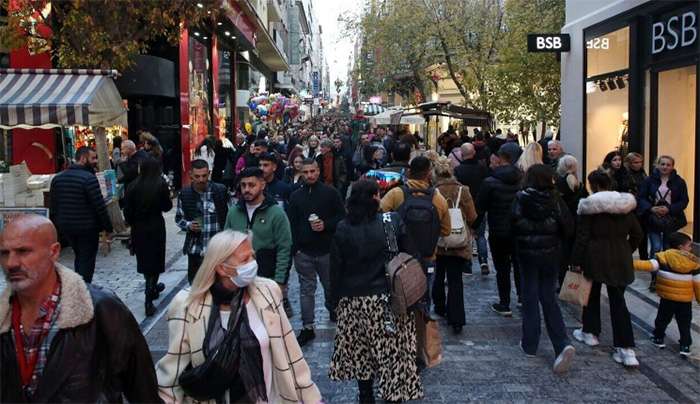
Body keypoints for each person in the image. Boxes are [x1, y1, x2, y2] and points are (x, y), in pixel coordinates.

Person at [0, 215, 160, 402]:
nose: (11, 263)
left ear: (54, 252)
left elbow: (143, 390)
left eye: (23, 251)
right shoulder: (5, 316)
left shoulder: (101, 310)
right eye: (4, 253)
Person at [155, 230, 322, 403]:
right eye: (244, 259)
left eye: (252, 256)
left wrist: (311, 398)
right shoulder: (187, 305)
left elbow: (291, 353)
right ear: (221, 268)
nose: (252, 263)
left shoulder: (268, 292)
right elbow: (171, 374)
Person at [329, 180, 424, 403]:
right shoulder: (391, 222)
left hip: (353, 300)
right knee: (392, 352)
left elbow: (336, 268)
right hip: (388, 298)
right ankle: (393, 396)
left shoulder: (343, 227)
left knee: (362, 352)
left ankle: (365, 396)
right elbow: (409, 256)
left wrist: (334, 299)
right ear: (375, 197)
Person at [571, 170, 643, 367]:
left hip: (594, 256)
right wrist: (627, 249)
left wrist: (575, 260)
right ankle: (626, 349)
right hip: (620, 255)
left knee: (591, 295)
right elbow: (637, 233)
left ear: (592, 185)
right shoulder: (624, 206)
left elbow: (582, 237)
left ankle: (590, 332)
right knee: (618, 302)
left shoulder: (589, 206)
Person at [511, 165, 576, 373]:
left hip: (527, 255)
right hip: (550, 255)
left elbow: (511, 224)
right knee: (548, 298)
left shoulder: (521, 198)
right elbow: (568, 227)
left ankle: (530, 343)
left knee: (530, 297)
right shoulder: (556, 200)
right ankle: (561, 343)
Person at [287, 159, 346, 346]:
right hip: (304, 251)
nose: (310, 175)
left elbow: (342, 217)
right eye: (307, 172)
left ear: (318, 171)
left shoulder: (330, 193)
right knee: (306, 290)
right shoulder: (296, 196)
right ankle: (307, 326)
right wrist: (295, 249)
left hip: (327, 250)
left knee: (330, 285)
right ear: (301, 173)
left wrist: (326, 225)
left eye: (313, 171)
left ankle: (333, 310)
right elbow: (292, 224)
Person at [381, 156, 451, 307]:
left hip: (400, 257)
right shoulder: (438, 198)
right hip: (427, 255)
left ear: (409, 172)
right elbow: (446, 230)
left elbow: (380, 215)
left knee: (399, 296)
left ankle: (403, 326)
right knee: (424, 297)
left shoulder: (396, 194)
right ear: (428, 173)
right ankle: (422, 325)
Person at [224, 167, 293, 310]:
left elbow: (284, 249)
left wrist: (279, 281)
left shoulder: (276, 214)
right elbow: (225, 246)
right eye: (243, 185)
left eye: (251, 185)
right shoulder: (233, 213)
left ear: (262, 185)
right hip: (238, 280)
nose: (246, 189)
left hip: (267, 278)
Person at [49, 146, 113, 283]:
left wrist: (57, 225)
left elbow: (53, 207)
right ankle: (83, 288)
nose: (96, 161)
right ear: (83, 159)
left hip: (67, 227)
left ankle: (79, 283)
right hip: (87, 228)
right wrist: (108, 228)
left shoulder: (58, 179)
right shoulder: (89, 179)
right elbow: (99, 206)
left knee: (79, 255)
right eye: (93, 158)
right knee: (86, 259)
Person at [633, 231, 699, 358]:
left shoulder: (663, 257)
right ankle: (685, 345)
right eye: (689, 245)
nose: (691, 248)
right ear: (681, 246)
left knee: (662, 319)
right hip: (685, 301)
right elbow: (697, 283)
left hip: (667, 298)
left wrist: (629, 263)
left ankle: (658, 338)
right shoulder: (694, 264)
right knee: (685, 322)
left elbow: (647, 265)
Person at [476, 145, 523, 316]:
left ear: (501, 157)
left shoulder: (490, 182)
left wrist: (474, 227)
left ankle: (505, 303)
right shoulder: (522, 180)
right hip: (519, 230)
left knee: (502, 268)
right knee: (518, 264)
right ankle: (521, 297)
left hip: (498, 230)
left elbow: (480, 208)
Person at [123, 158, 173, 316]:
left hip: (139, 228)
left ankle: (151, 287)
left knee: (145, 261)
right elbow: (167, 207)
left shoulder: (132, 186)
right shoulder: (160, 184)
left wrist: (132, 224)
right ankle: (149, 294)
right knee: (156, 260)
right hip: (156, 226)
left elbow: (127, 211)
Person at [432, 157, 476, 333]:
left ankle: (440, 306)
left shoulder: (434, 192)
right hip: (458, 241)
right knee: (455, 280)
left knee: (438, 274)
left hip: (439, 240)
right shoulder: (462, 190)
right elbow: (472, 216)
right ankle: (456, 318)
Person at [637, 155, 689, 291]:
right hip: (654, 219)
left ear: (672, 166)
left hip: (671, 219)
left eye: (668, 164)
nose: (665, 167)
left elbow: (684, 201)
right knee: (656, 247)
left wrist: (669, 208)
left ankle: (665, 277)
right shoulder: (649, 180)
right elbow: (641, 197)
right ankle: (654, 278)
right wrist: (651, 208)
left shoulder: (679, 182)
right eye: (663, 164)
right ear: (657, 165)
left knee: (667, 247)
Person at [175, 159, 229, 284]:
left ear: (209, 173)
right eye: (197, 176)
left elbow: (230, 215)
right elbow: (178, 218)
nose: (201, 180)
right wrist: (188, 225)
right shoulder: (185, 194)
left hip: (218, 250)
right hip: (196, 249)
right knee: (196, 285)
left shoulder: (220, 190)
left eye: (204, 176)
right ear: (191, 176)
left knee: (219, 286)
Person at [454, 142, 490, 274]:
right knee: (480, 236)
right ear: (474, 152)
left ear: (462, 155)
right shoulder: (482, 168)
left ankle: (467, 264)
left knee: (466, 236)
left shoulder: (458, 170)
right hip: (479, 206)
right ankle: (484, 261)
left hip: (463, 207)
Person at [625, 152, 649, 260]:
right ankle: (625, 254)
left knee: (642, 234)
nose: (639, 164)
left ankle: (644, 257)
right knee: (634, 233)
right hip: (630, 207)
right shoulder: (625, 175)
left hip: (642, 208)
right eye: (635, 162)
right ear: (629, 163)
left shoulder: (643, 173)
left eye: (640, 162)